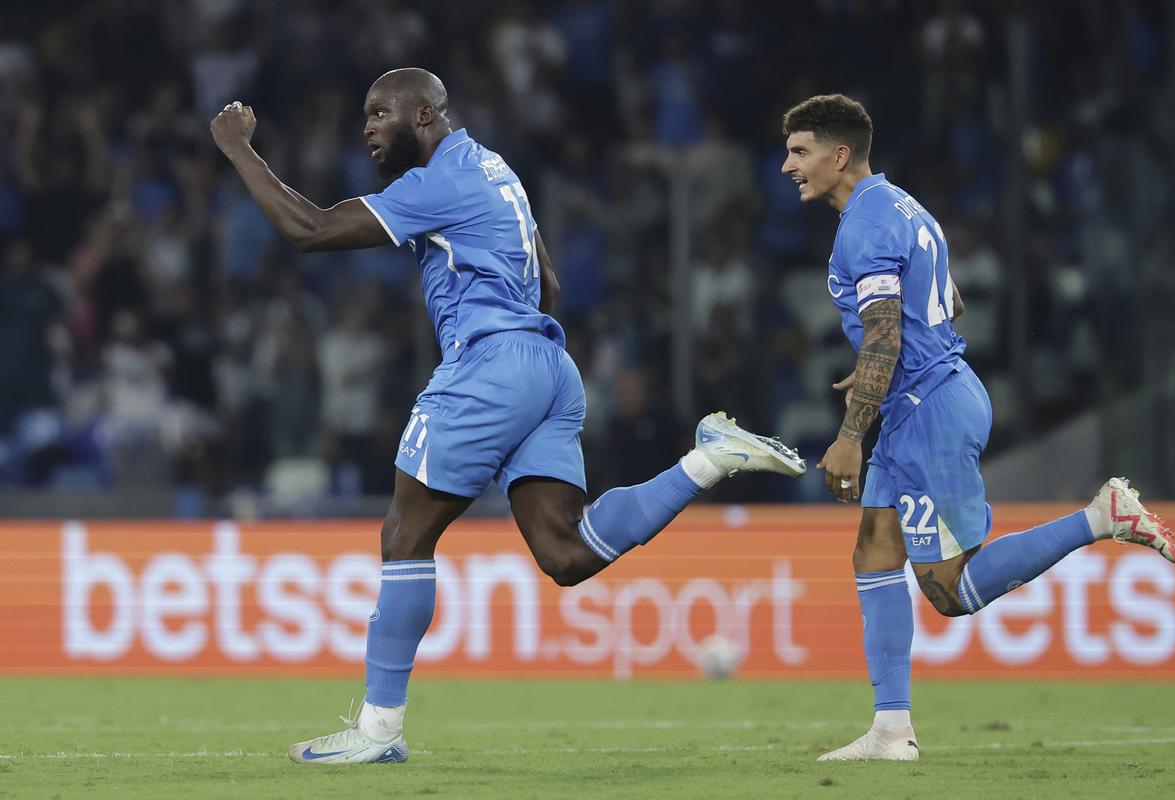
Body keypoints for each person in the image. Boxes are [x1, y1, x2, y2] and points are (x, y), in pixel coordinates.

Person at [210, 67, 807, 766]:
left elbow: (308, 228)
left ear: (425, 116)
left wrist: (237, 148)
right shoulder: (496, 171)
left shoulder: (438, 180)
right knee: (566, 553)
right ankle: (707, 458)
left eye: (380, 113)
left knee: (404, 533)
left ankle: (378, 732)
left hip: (492, 364)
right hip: (551, 368)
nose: (366, 127)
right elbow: (547, 284)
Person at [778, 94, 1175, 762]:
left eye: (799, 151)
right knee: (876, 549)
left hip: (926, 410)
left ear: (839, 154)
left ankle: (1101, 516)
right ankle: (889, 729)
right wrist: (889, 363)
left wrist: (852, 431)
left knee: (951, 590)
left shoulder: (865, 225)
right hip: (923, 397)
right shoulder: (903, 207)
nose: (789, 166)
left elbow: (883, 328)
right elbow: (946, 298)